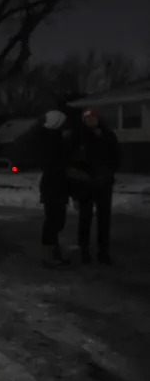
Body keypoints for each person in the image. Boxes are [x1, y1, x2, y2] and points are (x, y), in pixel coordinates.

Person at [71, 108, 120, 265]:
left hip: (104, 183)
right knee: (85, 218)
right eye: (86, 119)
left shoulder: (108, 136)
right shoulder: (78, 137)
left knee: (104, 218)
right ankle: (84, 250)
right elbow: (74, 160)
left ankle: (103, 251)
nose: (89, 121)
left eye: (92, 118)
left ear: (98, 119)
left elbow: (116, 157)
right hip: (86, 183)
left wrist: (107, 173)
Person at [38, 110, 74, 268]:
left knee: (57, 220)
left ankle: (53, 251)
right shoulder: (51, 141)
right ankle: (48, 255)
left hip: (56, 185)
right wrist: (68, 171)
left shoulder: (55, 139)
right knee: (53, 221)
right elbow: (54, 164)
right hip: (53, 185)